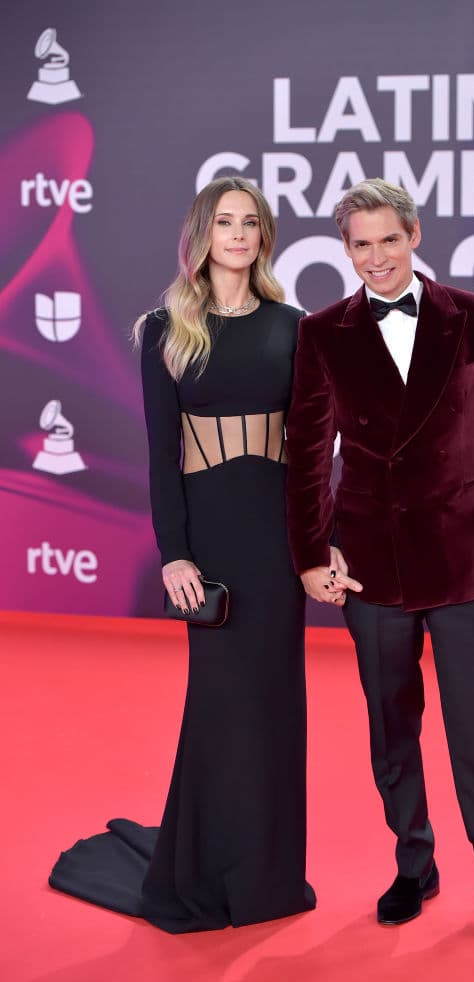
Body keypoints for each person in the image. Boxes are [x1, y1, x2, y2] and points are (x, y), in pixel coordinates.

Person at [49, 177, 316, 932]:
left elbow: (309, 452)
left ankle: (268, 875)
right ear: (201, 233)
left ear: (264, 236)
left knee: (275, 701)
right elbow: (160, 458)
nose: (238, 234)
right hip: (212, 537)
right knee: (221, 703)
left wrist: (316, 542)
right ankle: (208, 864)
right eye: (224, 221)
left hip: (275, 535)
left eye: (250, 222)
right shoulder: (166, 328)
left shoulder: (295, 326)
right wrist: (175, 554)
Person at [285, 178, 474, 947]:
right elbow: (306, 456)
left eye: (388, 240)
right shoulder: (323, 332)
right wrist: (309, 555)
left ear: (415, 235)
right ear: (346, 251)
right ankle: (414, 862)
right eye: (360, 244)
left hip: (466, 557)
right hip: (371, 564)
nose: (376, 258)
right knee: (390, 728)